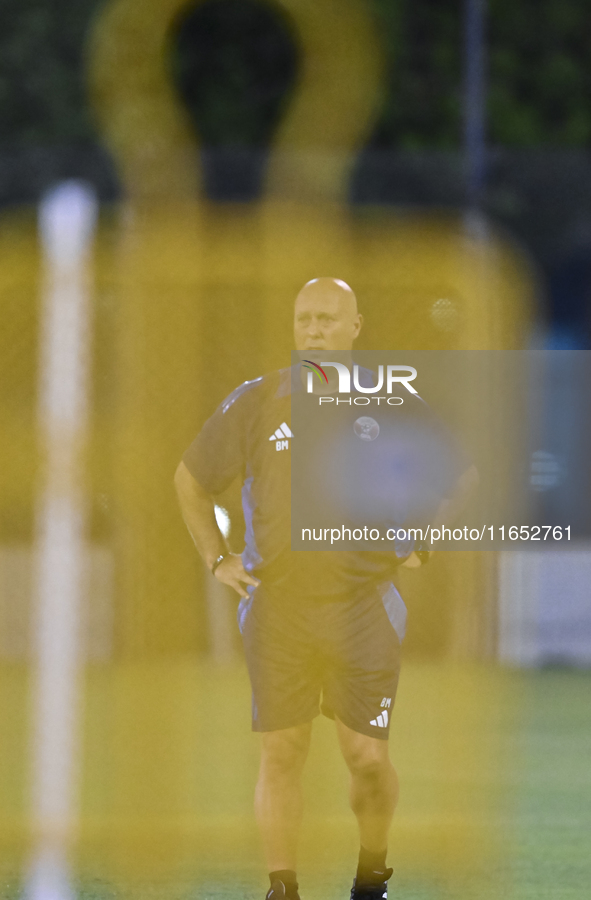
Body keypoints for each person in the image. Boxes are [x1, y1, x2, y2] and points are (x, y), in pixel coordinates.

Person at [174, 277, 477, 900]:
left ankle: (372, 878)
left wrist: (426, 537)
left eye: (328, 319)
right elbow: (189, 479)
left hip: (364, 607)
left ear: (355, 327)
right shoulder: (257, 402)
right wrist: (217, 559)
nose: (314, 329)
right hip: (277, 607)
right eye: (305, 319)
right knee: (281, 754)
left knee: (365, 759)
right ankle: (282, 888)